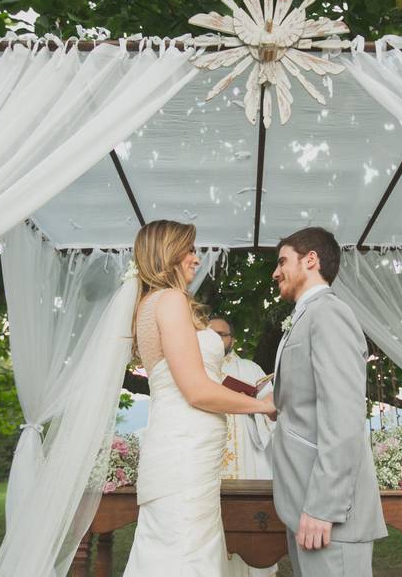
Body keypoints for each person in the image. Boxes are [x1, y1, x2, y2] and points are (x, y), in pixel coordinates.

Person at [123, 220, 276, 577]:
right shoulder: (171, 300)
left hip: (182, 449)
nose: (196, 258)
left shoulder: (150, 303)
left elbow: (201, 376)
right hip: (184, 452)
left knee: (174, 550)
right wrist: (263, 407)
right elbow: (195, 389)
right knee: (185, 554)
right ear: (169, 253)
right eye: (189, 250)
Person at [270, 226, 387, 577]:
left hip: (328, 513)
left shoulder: (329, 314)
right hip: (302, 503)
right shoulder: (306, 316)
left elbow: (344, 417)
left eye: (282, 261)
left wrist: (324, 507)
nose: (275, 273)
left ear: (311, 260)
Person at [210, 316, 277, 577]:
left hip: (247, 455)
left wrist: (250, 407)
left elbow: (272, 411)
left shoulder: (250, 369)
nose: (216, 339)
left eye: (222, 335)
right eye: (210, 334)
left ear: (232, 339)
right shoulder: (199, 369)